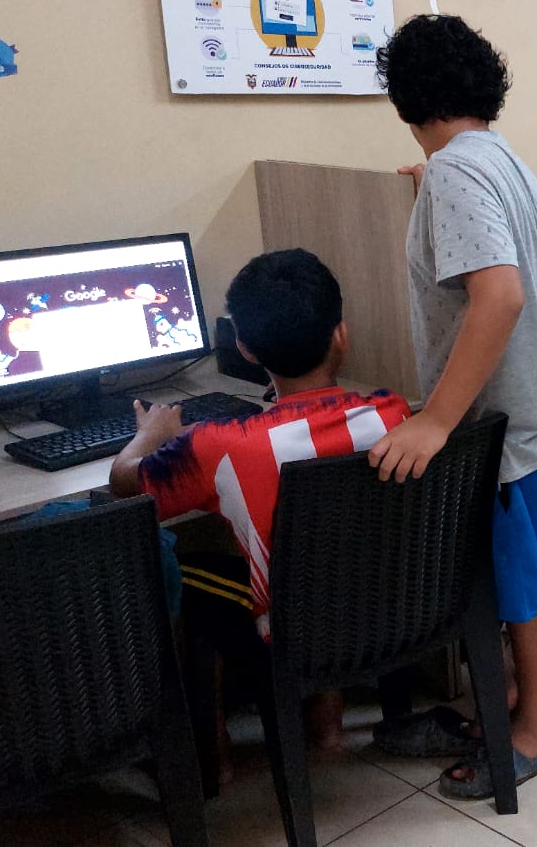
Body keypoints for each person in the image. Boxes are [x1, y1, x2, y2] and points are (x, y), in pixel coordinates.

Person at [367, 14, 537, 799]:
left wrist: (434, 421)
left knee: (520, 588)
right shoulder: (495, 158)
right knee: (518, 577)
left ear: (406, 100)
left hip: (503, 431)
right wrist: (430, 185)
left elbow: (500, 296)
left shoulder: (456, 174)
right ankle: (520, 695)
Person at [108, 248, 411, 771]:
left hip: (293, 631)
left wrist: (150, 435)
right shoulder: (391, 412)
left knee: (184, 569)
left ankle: (215, 755)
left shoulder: (219, 446)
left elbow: (124, 485)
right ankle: (329, 722)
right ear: (341, 334)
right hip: (392, 606)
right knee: (330, 547)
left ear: (245, 350)